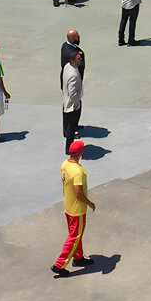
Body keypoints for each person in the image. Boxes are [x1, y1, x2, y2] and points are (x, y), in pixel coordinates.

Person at [51, 139, 96, 276]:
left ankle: (78, 257)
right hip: (77, 209)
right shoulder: (78, 171)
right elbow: (78, 193)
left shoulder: (65, 164)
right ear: (80, 152)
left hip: (68, 206)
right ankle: (59, 265)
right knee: (74, 236)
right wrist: (90, 203)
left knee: (77, 235)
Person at [60, 46, 84, 148]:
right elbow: (73, 93)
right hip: (73, 105)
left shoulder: (67, 66)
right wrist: (77, 104)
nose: (81, 60)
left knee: (71, 126)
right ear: (73, 60)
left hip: (68, 101)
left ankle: (70, 146)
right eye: (78, 59)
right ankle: (69, 148)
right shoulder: (73, 75)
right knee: (71, 127)